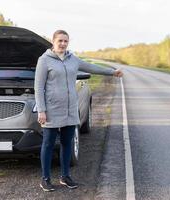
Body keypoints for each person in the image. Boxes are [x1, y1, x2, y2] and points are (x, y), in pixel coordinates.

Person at [34, 30, 123, 192]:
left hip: (70, 110)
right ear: (53, 42)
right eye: (60, 40)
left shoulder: (73, 59)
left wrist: (112, 72)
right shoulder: (44, 60)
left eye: (65, 41)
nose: (63, 44)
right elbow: (38, 88)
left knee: (67, 143)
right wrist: (41, 110)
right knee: (48, 144)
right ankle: (45, 179)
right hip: (52, 109)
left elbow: (91, 67)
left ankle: (65, 176)